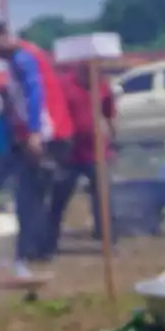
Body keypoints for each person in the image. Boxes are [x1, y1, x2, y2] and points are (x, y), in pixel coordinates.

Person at [0, 21, 74, 273]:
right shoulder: (27, 53)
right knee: (37, 194)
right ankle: (37, 250)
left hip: (45, 134)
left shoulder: (22, 58)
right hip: (48, 133)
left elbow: (34, 92)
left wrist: (33, 133)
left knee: (30, 196)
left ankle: (30, 252)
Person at [45, 64, 116, 252]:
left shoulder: (102, 86)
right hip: (69, 153)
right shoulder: (64, 85)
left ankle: (107, 239)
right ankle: (47, 243)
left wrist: (111, 135)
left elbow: (108, 113)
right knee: (59, 198)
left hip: (97, 151)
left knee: (103, 198)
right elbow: (53, 112)